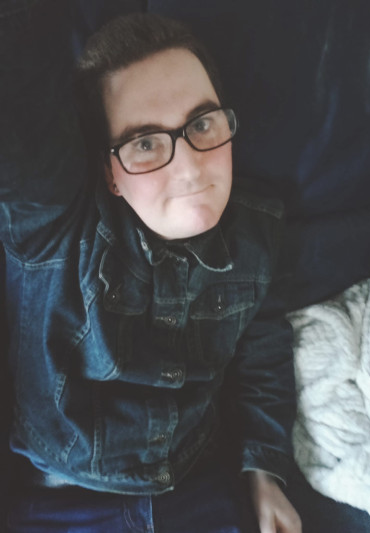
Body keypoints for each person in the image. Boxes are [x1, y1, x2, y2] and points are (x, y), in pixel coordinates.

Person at [1, 4, 301, 532]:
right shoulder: (53, 229)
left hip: (198, 485)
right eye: (145, 142)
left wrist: (264, 470)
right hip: (62, 500)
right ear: (110, 173)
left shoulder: (260, 233)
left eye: (202, 124)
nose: (190, 167)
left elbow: (263, 352)